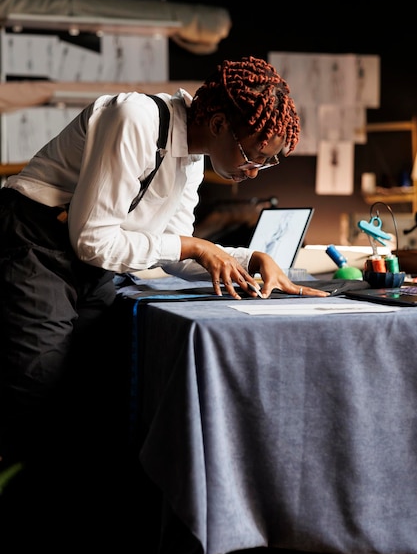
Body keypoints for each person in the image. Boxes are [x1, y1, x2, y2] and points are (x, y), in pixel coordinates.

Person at [0, 55, 329, 476]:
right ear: (217, 125)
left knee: (100, 380)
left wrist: (246, 259)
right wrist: (194, 247)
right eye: (253, 155)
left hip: (85, 259)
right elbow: (93, 240)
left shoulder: (190, 161)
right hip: (34, 239)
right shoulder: (135, 118)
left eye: (267, 162)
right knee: (36, 394)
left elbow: (170, 253)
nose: (254, 172)